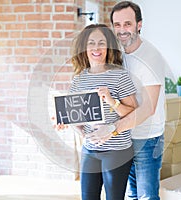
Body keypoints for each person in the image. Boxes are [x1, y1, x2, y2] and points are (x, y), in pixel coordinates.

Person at [89, 1, 169, 199]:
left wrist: (113, 128)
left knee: (146, 196)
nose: (122, 30)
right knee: (131, 195)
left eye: (127, 24)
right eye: (117, 25)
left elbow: (148, 107)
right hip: (125, 137)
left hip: (147, 138)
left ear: (139, 24)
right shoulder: (119, 54)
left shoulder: (150, 57)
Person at [54, 24, 138, 200]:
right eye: (91, 43)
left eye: (101, 43)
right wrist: (66, 121)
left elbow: (134, 112)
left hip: (117, 151)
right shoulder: (79, 79)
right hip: (90, 150)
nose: (96, 48)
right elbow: (79, 121)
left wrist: (112, 101)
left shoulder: (119, 75)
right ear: (85, 48)